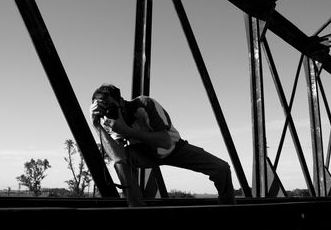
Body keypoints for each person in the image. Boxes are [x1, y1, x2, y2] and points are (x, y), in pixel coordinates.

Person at [89, 84, 235, 207]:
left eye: (110, 106)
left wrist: (127, 131)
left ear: (121, 100)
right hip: (146, 153)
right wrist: (97, 126)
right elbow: (118, 157)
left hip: (175, 149)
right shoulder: (110, 122)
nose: (109, 112)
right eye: (104, 109)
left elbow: (166, 142)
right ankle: (137, 210)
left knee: (221, 168)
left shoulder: (144, 104)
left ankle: (227, 213)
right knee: (121, 163)